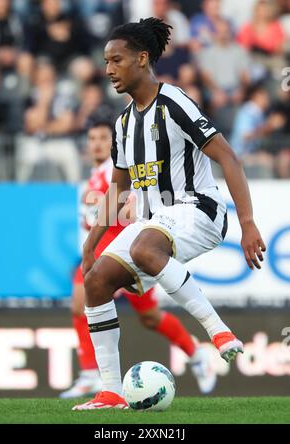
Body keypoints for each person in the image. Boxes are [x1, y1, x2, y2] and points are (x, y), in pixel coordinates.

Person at [73, 18, 266, 411]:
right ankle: (111, 391)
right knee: (94, 283)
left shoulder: (174, 102)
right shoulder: (124, 123)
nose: (108, 69)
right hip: (156, 223)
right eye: (106, 61)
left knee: (145, 247)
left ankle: (218, 332)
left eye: (117, 60)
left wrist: (247, 224)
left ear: (142, 59)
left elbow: (228, 157)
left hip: (200, 210)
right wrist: (91, 246)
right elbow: (117, 188)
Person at [60, 121, 217, 399]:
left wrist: (123, 213)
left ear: (113, 142)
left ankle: (196, 355)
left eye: (102, 138)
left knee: (148, 317)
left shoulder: (116, 171)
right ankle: (89, 375)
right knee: (83, 304)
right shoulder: (93, 177)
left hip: (127, 252)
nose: (96, 143)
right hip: (103, 253)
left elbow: (130, 204)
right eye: (92, 138)